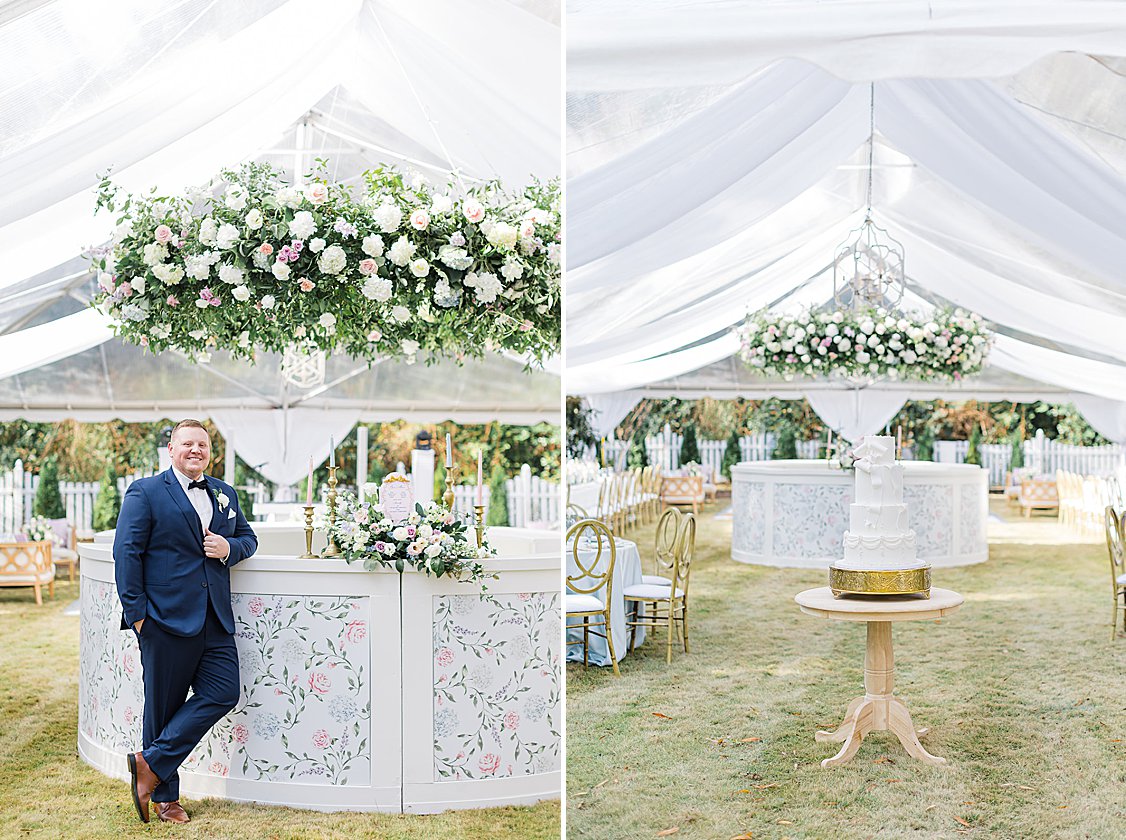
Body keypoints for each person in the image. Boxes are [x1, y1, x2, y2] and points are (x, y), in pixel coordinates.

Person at [113, 419, 258, 823]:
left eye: (203, 445)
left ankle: (149, 763)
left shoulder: (224, 493)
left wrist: (230, 546)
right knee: (162, 708)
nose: (196, 450)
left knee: (224, 692)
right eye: (188, 443)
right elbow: (126, 554)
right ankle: (166, 799)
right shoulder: (145, 492)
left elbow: (249, 538)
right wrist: (138, 616)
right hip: (164, 619)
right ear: (172, 449)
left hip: (215, 619)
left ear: (210, 452)